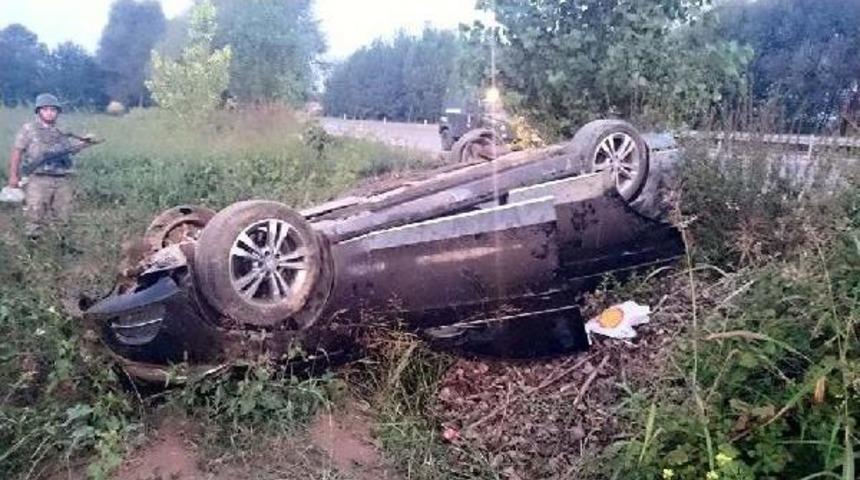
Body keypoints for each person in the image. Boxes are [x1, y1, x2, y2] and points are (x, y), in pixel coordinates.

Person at [6, 93, 99, 238]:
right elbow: (17, 151)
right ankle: (33, 250)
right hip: (38, 178)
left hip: (62, 178)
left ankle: (61, 246)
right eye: (45, 109)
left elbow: (69, 151)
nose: (49, 113)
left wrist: (85, 144)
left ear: (57, 112)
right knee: (35, 215)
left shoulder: (63, 130)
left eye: (53, 110)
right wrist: (13, 176)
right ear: (39, 111)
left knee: (64, 215)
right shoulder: (29, 129)